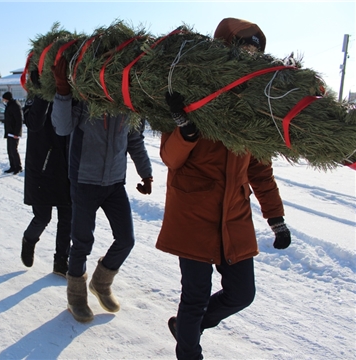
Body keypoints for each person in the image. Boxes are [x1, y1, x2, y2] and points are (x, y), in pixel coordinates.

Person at [156, 18, 291, 360]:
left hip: (233, 214)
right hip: (193, 214)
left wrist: (276, 217)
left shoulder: (251, 105)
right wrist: (185, 133)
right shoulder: (194, 92)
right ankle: (189, 350)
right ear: (225, 48)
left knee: (242, 293)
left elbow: (259, 167)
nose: (249, 55)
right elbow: (170, 159)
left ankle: (190, 326)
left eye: (255, 51)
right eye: (243, 48)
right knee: (196, 296)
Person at [51, 58, 153, 323]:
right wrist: (62, 91)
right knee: (82, 242)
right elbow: (61, 128)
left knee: (126, 240)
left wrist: (146, 173)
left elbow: (134, 140)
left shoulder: (127, 106)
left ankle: (101, 282)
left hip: (114, 183)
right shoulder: (86, 100)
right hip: (84, 181)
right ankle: (76, 296)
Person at [20, 69, 72, 277]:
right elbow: (34, 123)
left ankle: (61, 261)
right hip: (41, 167)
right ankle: (29, 240)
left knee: (67, 218)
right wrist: (41, 92)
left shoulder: (69, 94)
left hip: (66, 167)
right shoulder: (34, 98)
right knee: (43, 217)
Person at [1, 91, 23, 174]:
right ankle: (12, 166)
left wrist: (16, 133)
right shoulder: (9, 105)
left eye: (4, 98)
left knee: (14, 150)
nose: (3, 100)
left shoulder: (15, 106)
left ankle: (18, 167)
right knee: (9, 150)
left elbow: (19, 120)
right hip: (9, 132)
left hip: (14, 133)